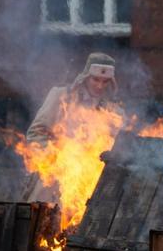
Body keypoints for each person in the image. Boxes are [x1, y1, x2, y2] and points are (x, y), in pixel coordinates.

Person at [23, 52, 123, 202]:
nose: (99, 85)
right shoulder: (61, 97)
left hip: (90, 184)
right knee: (42, 221)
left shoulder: (114, 112)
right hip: (53, 181)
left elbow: (118, 149)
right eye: (95, 79)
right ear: (86, 76)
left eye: (105, 81)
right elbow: (36, 133)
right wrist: (58, 158)